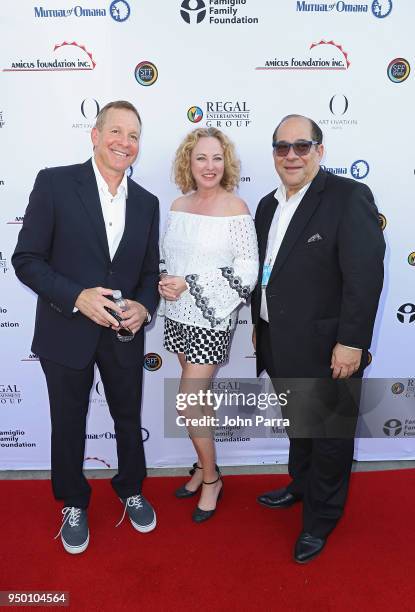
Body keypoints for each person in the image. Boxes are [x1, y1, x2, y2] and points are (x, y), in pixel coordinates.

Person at [12, 100, 160, 554]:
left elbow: (150, 274)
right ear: (94, 135)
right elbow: (26, 260)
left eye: (133, 135)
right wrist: (75, 296)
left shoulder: (148, 203)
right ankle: (73, 501)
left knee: (129, 418)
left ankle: (131, 489)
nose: (125, 142)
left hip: (123, 335)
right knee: (68, 423)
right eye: (115, 131)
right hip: (65, 330)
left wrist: (145, 307)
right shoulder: (55, 183)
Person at [252, 114, 385, 563]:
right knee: (299, 426)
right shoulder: (268, 205)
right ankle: (300, 485)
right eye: (282, 147)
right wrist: (259, 321)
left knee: (330, 436)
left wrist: (352, 341)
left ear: (320, 151)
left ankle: (322, 518)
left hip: (331, 349)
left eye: (301, 146)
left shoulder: (348, 197)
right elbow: (266, 274)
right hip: (278, 340)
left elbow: (364, 277)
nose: (291, 155)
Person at [159, 127, 258, 522]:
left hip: (212, 318)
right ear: (189, 162)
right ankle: (202, 467)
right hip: (178, 314)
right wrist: (165, 281)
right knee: (196, 402)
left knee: (187, 400)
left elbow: (247, 270)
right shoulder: (178, 205)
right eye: (201, 158)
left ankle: (212, 477)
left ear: (226, 163)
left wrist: (192, 284)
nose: (210, 166)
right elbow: (169, 256)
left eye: (217, 158)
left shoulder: (237, 208)